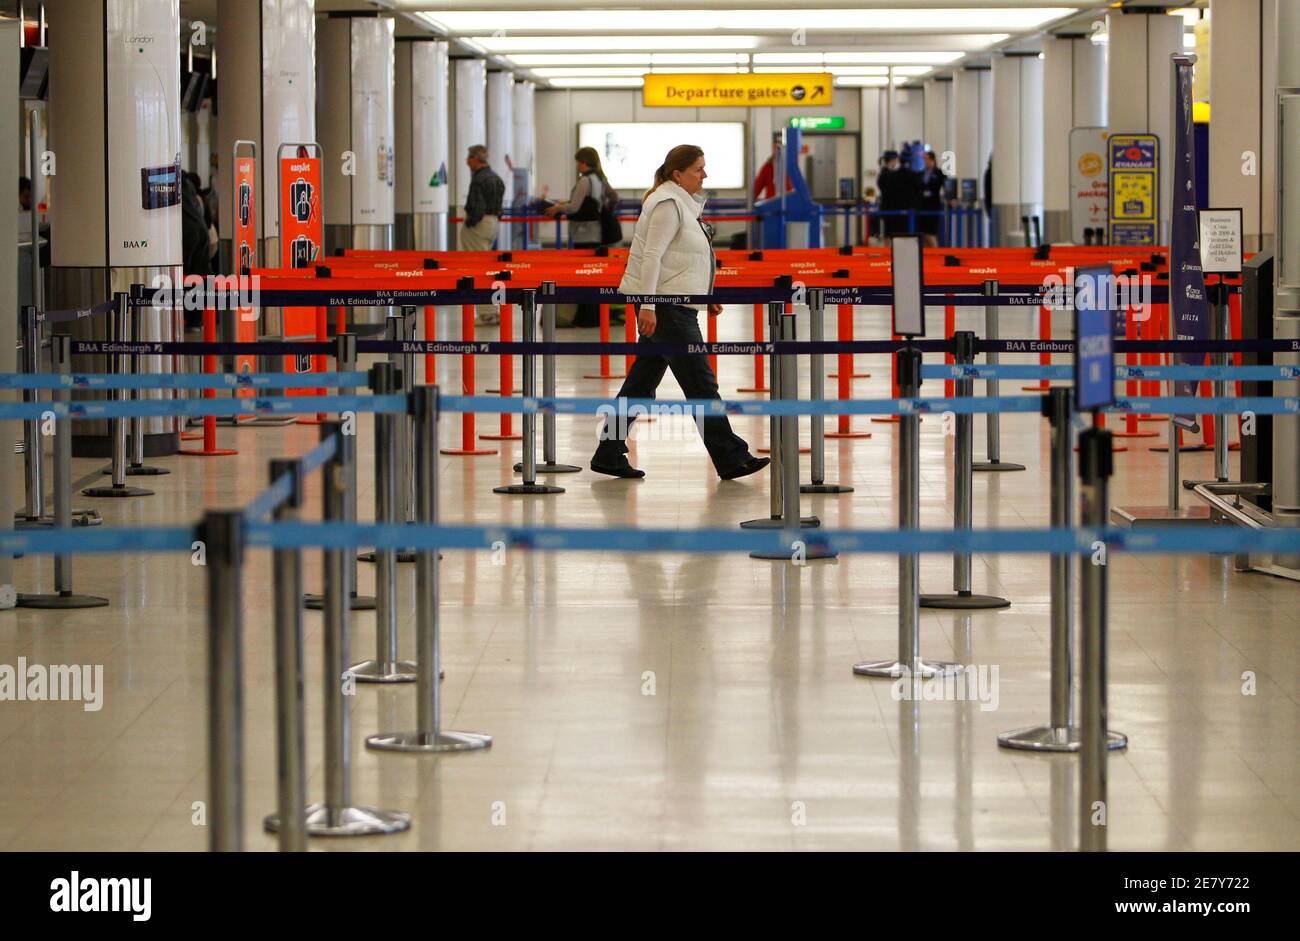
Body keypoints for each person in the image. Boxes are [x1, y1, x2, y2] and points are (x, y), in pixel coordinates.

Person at [589, 144, 768, 481]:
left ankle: (608, 452)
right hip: (668, 308)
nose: (705, 175)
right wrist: (648, 305)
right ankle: (732, 457)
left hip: (675, 303)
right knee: (701, 384)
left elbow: (685, 259)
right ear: (678, 174)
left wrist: (705, 294)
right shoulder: (669, 204)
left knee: (641, 384)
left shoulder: (683, 204)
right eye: (699, 169)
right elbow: (652, 256)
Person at [544, 146, 622, 327]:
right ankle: (595, 316)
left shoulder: (585, 180)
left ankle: (587, 317)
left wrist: (558, 207)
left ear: (583, 162)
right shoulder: (600, 178)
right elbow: (614, 197)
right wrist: (603, 210)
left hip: (584, 233)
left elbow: (575, 207)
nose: (577, 166)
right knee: (595, 276)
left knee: (584, 277)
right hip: (598, 233)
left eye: (578, 162)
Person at [460, 144, 506, 324]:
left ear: (475, 159)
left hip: (479, 224)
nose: (466, 161)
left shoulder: (479, 179)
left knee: (478, 270)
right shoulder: (496, 178)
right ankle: (493, 309)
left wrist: (471, 222)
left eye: (468, 157)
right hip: (493, 223)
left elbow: (476, 207)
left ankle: (487, 313)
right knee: (489, 268)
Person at [875, 150, 916, 239]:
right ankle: (888, 252)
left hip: (888, 207)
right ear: (892, 160)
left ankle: (888, 252)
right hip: (891, 208)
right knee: (891, 234)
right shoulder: (887, 174)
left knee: (888, 234)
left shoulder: (884, 173)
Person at [916, 149, 947, 247]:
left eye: (927, 159)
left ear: (932, 160)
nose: (925, 161)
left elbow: (945, 186)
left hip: (933, 205)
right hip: (922, 205)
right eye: (924, 159)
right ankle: (926, 254)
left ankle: (936, 252)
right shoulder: (921, 173)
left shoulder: (939, 173)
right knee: (923, 233)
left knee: (931, 232)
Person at [752, 134, 793, 201]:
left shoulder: (789, 167)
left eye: (779, 149)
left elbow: (794, 187)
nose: (777, 151)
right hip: (771, 204)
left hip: (787, 203)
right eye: (775, 148)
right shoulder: (767, 168)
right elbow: (757, 188)